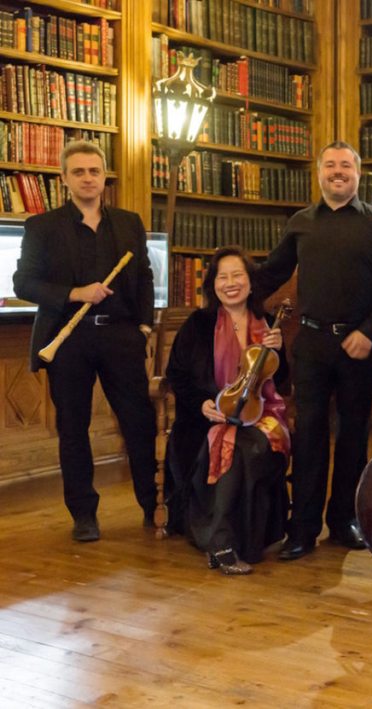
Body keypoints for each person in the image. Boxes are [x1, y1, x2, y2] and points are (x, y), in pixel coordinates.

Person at [255, 141, 372, 561]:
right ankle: (302, 529)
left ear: (358, 173)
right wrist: (228, 290)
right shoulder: (301, 223)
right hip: (313, 343)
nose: (338, 172)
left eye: (346, 166)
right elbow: (272, 273)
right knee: (310, 436)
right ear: (319, 173)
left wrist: (369, 332)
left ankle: (344, 522)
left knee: (354, 436)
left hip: (359, 345)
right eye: (330, 165)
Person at [13, 140, 157, 542]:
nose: (88, 178)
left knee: (139, 422)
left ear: (104, 176)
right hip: (69, 339)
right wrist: (76, 293)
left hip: (121, 335)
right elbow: (22, 282)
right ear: (64, 179)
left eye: (94, 171)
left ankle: (153, 505)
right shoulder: (42, 227)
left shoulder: (129, 222)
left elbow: (143, 276)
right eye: (78, 171)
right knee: (73, 428)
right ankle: (84, 516)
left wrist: (144, 326)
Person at [165, 246, 291, 575]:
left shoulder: (267, 325)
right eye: (223, 277)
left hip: (260, 416)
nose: (230, 283)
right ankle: (222, 543)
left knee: (247, 445)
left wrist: (280, 351)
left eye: (238, 275)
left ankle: (231, 540)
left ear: (251, 283)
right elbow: (177, 376)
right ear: (213, 284)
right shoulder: (198, 324)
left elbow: (283, 382)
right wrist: (202, 405)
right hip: (206, 417)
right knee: (228, 443)